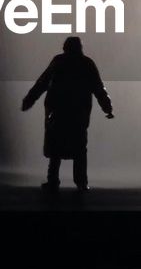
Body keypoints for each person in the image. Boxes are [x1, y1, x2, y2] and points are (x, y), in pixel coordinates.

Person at [21, 36, 114, 192]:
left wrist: (29, 100)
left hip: (57, 111)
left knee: (55, 147)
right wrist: (107, 107)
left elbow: (42, 83)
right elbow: (98, 88)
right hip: (79, 112)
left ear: (65, 47)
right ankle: (81, 182)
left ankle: (53, 180)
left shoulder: (58, 62)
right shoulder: (87, 64)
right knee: (79, 148)